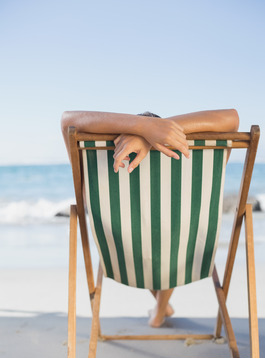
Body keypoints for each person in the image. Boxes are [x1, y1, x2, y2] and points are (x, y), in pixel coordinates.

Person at [61, 108, 239, 327]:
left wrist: (142, 131)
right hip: (183, 247)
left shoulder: (96, 164)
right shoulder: (195, 157)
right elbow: (231, 118)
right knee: (173, 231)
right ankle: (160, 310)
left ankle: (160, 309)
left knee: (134, 231)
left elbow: (68, 120)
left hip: (125, 250)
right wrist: (154, 131)